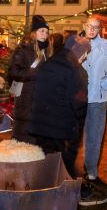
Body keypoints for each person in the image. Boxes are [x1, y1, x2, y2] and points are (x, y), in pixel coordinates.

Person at [29, 35, 90, 179]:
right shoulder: (76, 70)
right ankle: (67, 191)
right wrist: (79, 122)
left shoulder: (48, 63)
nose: (85, 57)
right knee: (64, 164)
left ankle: (44, 190)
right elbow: (79, 102)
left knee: (46, 161)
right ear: (79, 51)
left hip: (41, 124)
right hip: (61, 127)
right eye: (85, 53)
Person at [80, 17, 107, 204]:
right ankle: (72, 168)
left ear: (100, 30)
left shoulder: (106, 47)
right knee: (74, 135)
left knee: (94, 136)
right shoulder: (76, 44)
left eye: (95, 27)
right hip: (77, 98)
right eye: (89, 26)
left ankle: (91, 171)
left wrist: (100, 85)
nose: (92, 30)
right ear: (84, 26)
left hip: (96, 99)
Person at [8, 14, 52, 143]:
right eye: (42, 31)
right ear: (34, 33)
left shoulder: (47, 51)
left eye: (46, 32)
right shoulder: (23, 49)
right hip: (25, 95)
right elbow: (13, 71)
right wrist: (34, 74)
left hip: (40, 95)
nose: (45, 35)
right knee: (23, 128)